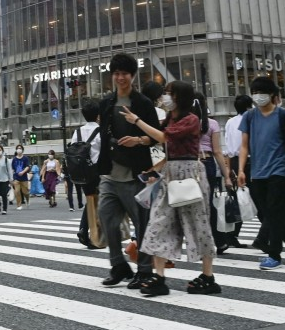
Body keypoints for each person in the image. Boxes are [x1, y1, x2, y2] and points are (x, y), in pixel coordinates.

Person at [120, 81, 222, 296]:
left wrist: (136, 121)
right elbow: (164, 144)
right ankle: (159, 277)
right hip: (171, 173)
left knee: (199, 225)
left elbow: (165, 138)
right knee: (158, 223)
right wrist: (150, 164)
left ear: (180, 97)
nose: (165, 97)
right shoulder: (171, 118)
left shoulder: (191, 119)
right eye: (165, 93)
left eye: (169, 93)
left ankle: (208, 275)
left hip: (190, 174)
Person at [96, 53, 159, 288]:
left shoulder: (142, 103)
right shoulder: (106, 102)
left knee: (141, 224)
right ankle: (118, 265)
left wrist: (139, 140)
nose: (120, 78)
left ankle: (144, 270)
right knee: (107, 218)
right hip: (110, 172)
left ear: (132, 76)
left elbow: (156, 137)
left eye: (124, 73)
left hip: (135, 173)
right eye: (116, 73)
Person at [238, 76, 285, 270]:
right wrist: (241, 170)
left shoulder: (283, 116)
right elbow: (244, 146)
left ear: (273, 95)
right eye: (255, 92)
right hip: (257, 171)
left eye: (263, 92)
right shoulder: (249, 117)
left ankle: (273, 253)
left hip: (279, 170)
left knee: (274, 211)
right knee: (269, 213)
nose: (259, 96)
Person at [195, 93, 232, 254]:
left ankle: (200, 242)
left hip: (189, 164)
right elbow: (217, 152)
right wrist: (227, 176)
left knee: (190, 204)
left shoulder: (184, 122)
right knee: (208, 205)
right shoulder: (212, 124)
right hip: (207, 163)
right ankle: (220, 240)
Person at [73, 100, 104, 249]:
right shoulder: (100, 131)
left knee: (91, 200)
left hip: (80, 172)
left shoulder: (77, 132)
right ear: (98, 115)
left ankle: (84, 230)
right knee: (95, 202)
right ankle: (91, 236)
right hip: (96, 171)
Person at [222, 95, 252, 247]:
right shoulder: (251, 119)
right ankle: (267, 232)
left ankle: (231, 235)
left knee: (235, 199)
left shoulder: (229, 122)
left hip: (234, 162)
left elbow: (227, 147)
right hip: (250, 160)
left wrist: (227, 169)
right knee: (258, 196)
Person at [11, 145, 30, 209]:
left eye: (20, 148)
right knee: (17, 191)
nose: (19, 150)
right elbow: (13, 168)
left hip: (24, 178)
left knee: (25, 192)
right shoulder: (14, 159)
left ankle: (27, 200)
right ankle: (19, 205)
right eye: (18, 148)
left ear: (22, 150)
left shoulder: (25, 158)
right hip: (16, 177)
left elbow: (27, 166)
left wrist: (23, 172)